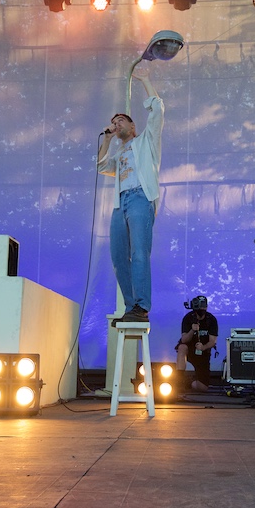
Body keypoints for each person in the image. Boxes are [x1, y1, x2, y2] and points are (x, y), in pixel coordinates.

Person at [97, 70, 164, 323]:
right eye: (114, 122)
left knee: (138, 252)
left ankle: (142, 306)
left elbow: (157, 111)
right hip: (120, 203)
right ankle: (130, 307)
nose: (117, 124)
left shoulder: (147, 141)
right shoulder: (119, 153)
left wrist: (146, 80)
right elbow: (102, 166)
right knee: (117, 256)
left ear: (133, 126)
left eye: (121, 120)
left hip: (139, 198)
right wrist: (107, 138)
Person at [175, 295, 219, 392]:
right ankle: (179, 380)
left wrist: (203, 347)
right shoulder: (188, 318)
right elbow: (184, 339)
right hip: (189, 349)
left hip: (203, 353)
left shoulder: (211, 319)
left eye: (204, 306)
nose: (201, 308)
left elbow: (213, 341)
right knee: (182, 347)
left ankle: (189, 383)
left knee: (203, 387)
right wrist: (192, 330)